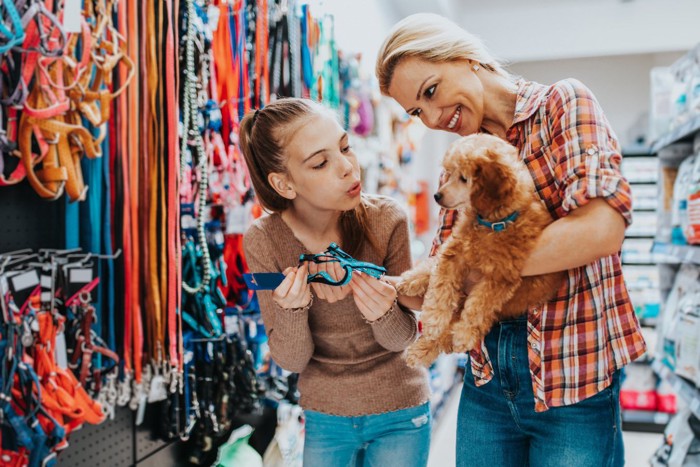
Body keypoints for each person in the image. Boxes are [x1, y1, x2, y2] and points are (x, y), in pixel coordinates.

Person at [376, 12, 646, 467]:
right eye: (417, 112)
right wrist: (391, 293)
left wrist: (475, 266)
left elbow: (600, 228)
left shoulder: (563, 104)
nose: (433, 118)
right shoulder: (461, 157)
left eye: (431, 91)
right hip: (485, 381)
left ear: (463, 57)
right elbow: (446, 273)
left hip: (572, 378)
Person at [240, 98, 431, 467]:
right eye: (321, 162)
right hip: (325, 416)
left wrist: (383, 310)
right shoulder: (264, 240)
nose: (348, 168)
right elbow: (292, 360)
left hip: (401, 409)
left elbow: (404, 338)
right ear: (284, 183)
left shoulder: (386, 219)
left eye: (345, 148)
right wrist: (295, 309)